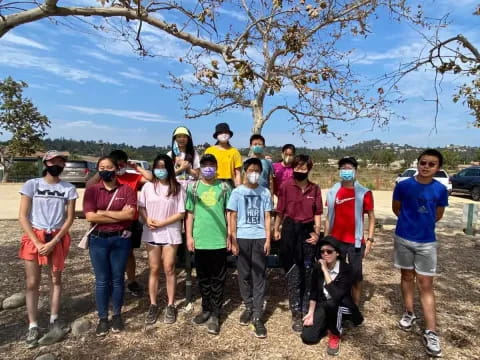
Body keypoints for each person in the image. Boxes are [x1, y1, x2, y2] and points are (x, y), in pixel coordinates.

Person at [18, 150, 78, 349]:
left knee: (55, 279)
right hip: (35, 236)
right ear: (45, 163)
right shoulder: (32, 184)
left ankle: (54, 318)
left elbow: (69, 218)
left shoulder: (68, 188)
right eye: (53, 161)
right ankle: (33, 324)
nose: (57, 164)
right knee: (32, 282)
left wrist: (54, 241)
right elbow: (23, 215)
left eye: (61, 161)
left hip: (57, 238)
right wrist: (36, 242)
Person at [392, 149, 448, 358]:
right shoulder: (404, 186)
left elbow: (438, 214)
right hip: (403, 238)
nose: (426, 166)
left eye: (431, 164)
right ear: (418, 163)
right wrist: (409, 224)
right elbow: (396, 208)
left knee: (426, 285)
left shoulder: (440, 190)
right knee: (406, 276)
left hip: (427, 243)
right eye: (423, 162)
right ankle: (409, 313)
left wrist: (423, 226)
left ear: (438, 168)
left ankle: (431, 331)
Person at [83, 156, 137, 336]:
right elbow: (90, 217)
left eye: (109, 167)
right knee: (101, 280)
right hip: (98, 240)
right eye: (102, 167)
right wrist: (117, 214)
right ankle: (103, 318)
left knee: (117, 278)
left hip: (120, 240)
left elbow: (129, 215)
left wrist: (103, 213)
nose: (106, 170)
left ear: (116, 169)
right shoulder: (92, 191)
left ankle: (117, 315)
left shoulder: (127, 190)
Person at [87, 149, 153, 297]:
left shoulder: (132, 177)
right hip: (106, 222)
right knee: (108, 254)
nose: (120, 167)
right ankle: (111, 282)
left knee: (128, 253)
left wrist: (136, 167)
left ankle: (131, 281)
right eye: (116, 164)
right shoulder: (106, 178)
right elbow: (89, 185)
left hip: (130, 222)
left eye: (122, 164)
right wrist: (102, 170)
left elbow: (150, 179)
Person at [274, 155, 323, 332]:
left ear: (309, 169)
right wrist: (276, 229)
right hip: (289, 231)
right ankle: (295, 313)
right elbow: (280, 210)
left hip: (308, 231)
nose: (300, 171)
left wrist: (317, 233)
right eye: (298, 168)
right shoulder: (286, 186)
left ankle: (305, 310)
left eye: (304, 168)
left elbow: (317, 213)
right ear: (293, 168)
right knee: (294, 273)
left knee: (308, 273)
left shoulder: (315, 189)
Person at [185, 154, 232, 335]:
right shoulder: (193, 188)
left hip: (218, 240)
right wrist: (189, 236)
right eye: (204, 165)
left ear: (216, 167)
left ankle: (215, 313)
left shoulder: (224, 187)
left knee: (218, 279)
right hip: (200, 240)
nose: (208, 168)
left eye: (211, 165)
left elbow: (229, 213)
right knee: (203, 278)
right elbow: (189, 214)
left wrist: (229, 235)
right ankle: (206, 309)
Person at [228, 158, 273, 338]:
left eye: (257, 170)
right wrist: (233, 239)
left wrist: (268, 239)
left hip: (259, 237)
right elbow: (232, 216)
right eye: (251, 170)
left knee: (259, 276)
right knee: (244, 275)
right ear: (245, 171)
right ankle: (248, 305)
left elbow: (268, 216)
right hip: (242, 237)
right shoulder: (237, 192)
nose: (254, 173)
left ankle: (257, 315)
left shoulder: (265, 192)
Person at [139, 155, 185, 325]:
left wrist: (163, 222)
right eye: (157, 166)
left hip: (170, 233)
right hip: (152, 233)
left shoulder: (178, 188)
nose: (160, 170)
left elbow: (181, 212)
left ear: (170, 169)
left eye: (164, 166)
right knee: (154, 268)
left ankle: (171, 304)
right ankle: (153, 304)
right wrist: (147, 219)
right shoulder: (148, 187)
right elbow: (141, 207)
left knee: (169, 267)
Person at [324, 156, 375, 306]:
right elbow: (329, 217)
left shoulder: (364, 193)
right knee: (336, 273)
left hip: (356, 242)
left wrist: (370, 240)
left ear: (355, 171)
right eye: (343, 169)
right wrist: (326, 240)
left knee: (355, 276)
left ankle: (355, 306)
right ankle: (338, 304)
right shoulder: (334, 192)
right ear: (339, 171)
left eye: (349, 169)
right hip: (336, 241)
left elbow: (372, 218)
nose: (346, 171)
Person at [301, 236, 363, 356]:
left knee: (333, 304)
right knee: (308, 337)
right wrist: (311, 312)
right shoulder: (317, 268)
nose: (325, 254)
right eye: (322, 251)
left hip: (344, 306)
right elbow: (313, 291)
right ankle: (329, 324)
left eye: (329, 251)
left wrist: (325, 271)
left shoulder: (347, 269)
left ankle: (335, 335)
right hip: (326, 305)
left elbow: (337, 295)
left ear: (337, 253)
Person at [204, 123, 242, 187]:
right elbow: (204, 169)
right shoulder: (209, 151)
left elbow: (238, 173)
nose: (223, 134)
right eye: (221, 133)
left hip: (230, 184)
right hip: (213, 183)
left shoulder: (235, 152)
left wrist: (238, 188)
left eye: (226, 132)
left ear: (229, 135)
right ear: (216, 136)